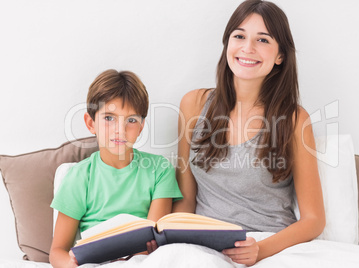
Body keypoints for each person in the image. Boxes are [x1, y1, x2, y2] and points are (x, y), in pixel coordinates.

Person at [173, 0, 325, 266]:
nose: (248, 48)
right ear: (227, 44)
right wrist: (168, 234)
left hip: (271, 245)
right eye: (239, 36)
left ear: (280, 56)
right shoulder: (194, 105)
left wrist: (261, 250)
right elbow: (186, 198)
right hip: (205, 245)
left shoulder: (294, 119)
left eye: (263, 40)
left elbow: (314, 220)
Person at [49, 69, 183, 268]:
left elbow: (154, 235)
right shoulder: (79, 176)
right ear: (90, 123)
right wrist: (72, 264)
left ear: (141, 127)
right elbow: (57, 250)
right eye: (109, 118)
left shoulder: (159, 169)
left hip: (143, 261)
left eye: (131, 120)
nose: (120, 129)